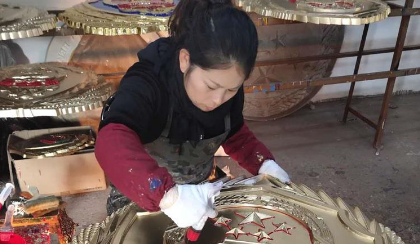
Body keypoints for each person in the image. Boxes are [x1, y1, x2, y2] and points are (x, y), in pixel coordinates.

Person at [95, 0, 290, 229]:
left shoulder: (227, 90)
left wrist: (265, 164)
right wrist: (169, 197)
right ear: (185, 60)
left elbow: (234, 133)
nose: (218, 100)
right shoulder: (148, 83)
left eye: (231, 89)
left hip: (198, 195)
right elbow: (111, 142)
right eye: (211, 86)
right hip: (141, 197)